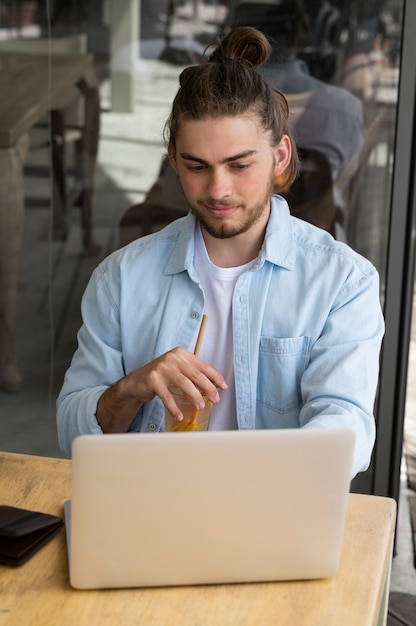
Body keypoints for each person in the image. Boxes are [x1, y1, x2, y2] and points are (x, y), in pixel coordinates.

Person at [56, 26, 385, 479]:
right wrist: (131, 389)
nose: (218, 190)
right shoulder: (120, 277)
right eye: (197, 166)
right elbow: (71, 434)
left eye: (239, 164)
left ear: (281, 156)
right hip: (149, 508)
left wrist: (242, 486)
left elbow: (346, 429)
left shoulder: (344, 282)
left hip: (273, 514)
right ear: (174, 160)